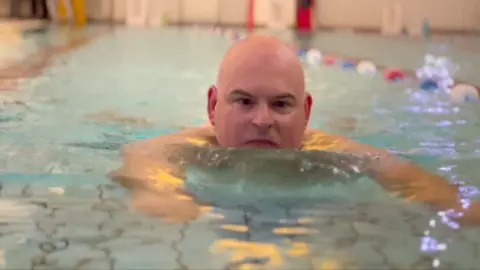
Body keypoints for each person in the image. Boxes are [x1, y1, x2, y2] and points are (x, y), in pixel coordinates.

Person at [110, 34, 479, 225]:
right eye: (243, 102)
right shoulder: (189, 145)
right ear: (212, 107)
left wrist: (453, 204)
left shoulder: (329, 150)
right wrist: (159, 193)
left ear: (305, 112)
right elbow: (143, 155)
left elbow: (395, 170)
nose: (262, 120)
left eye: (281, 104)